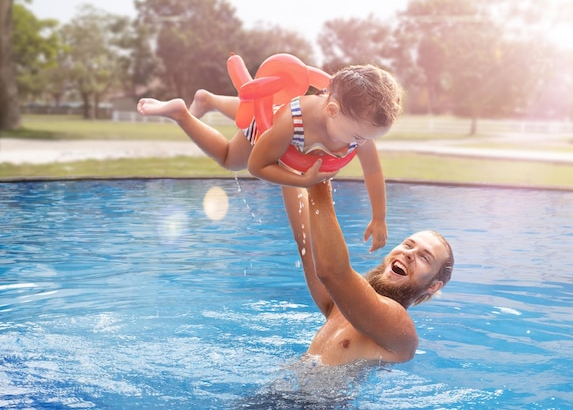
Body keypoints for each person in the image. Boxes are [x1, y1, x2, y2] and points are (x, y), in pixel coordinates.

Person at [137, 63, 402, 252]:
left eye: (368, 139)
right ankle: (181, 113)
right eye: (358, 137)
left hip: (280, 119)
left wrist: (379, 217)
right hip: (269, 127)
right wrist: (300, 180)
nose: (362, 144)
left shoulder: (359, 130)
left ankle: (209, 99)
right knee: (230, 158)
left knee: (249, 108)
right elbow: (257, 166)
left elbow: (373, 171)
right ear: (332, 110)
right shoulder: (292, 122)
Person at [282, 180, 454, 366]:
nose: (409, 254)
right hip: (275, 391)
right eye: (408, 245)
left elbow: (331, 271)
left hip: (320, 397)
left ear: (433, 286)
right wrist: (288, 168)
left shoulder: (401, 329)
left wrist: (320, 178)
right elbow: (307, 241)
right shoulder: (341, 303)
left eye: (425, 258)